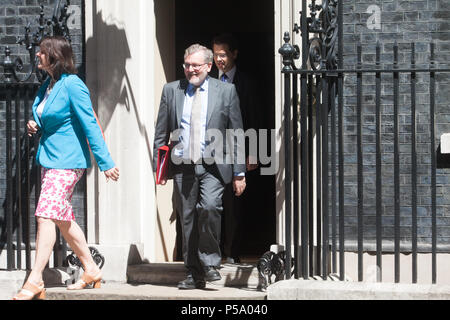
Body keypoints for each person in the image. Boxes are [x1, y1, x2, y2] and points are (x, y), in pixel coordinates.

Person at [12, 36, 119, 300]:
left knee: (45, 215)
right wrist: (33, 122)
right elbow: (40, 112)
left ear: (55, 56)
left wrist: (105, 162)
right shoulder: (49, 84)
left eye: (42, 52)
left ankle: (35, 279)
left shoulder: (73, 85)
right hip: (50, 160)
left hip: (69, 162)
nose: (38, 55)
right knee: (61, 218)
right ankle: (91, 269)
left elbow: (90, 124)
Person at [153, 44, 246, 289]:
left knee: (210, 207)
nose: (191, 69)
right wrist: (159, 167)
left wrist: (239, 172)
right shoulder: (171, 90)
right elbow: (161, 131)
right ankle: (194, 274)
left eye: (196, 65)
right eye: (187, 65)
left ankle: (210, 262)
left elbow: (236, 133)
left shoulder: (226, 91)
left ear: (208, 66)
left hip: (214, 166)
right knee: (187, 220)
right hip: (183, 164)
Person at [212, 33, 259, 264]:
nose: (219, 59)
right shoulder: (208, 80)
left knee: (234, 206)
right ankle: (214, 251)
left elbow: (253, 118)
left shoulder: (247, 83)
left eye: (222, 54)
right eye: (215, 55)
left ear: (234, 54)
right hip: (212, 152)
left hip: (238, 151)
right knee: (213, 203)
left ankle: (231, 252)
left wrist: (254, 151)